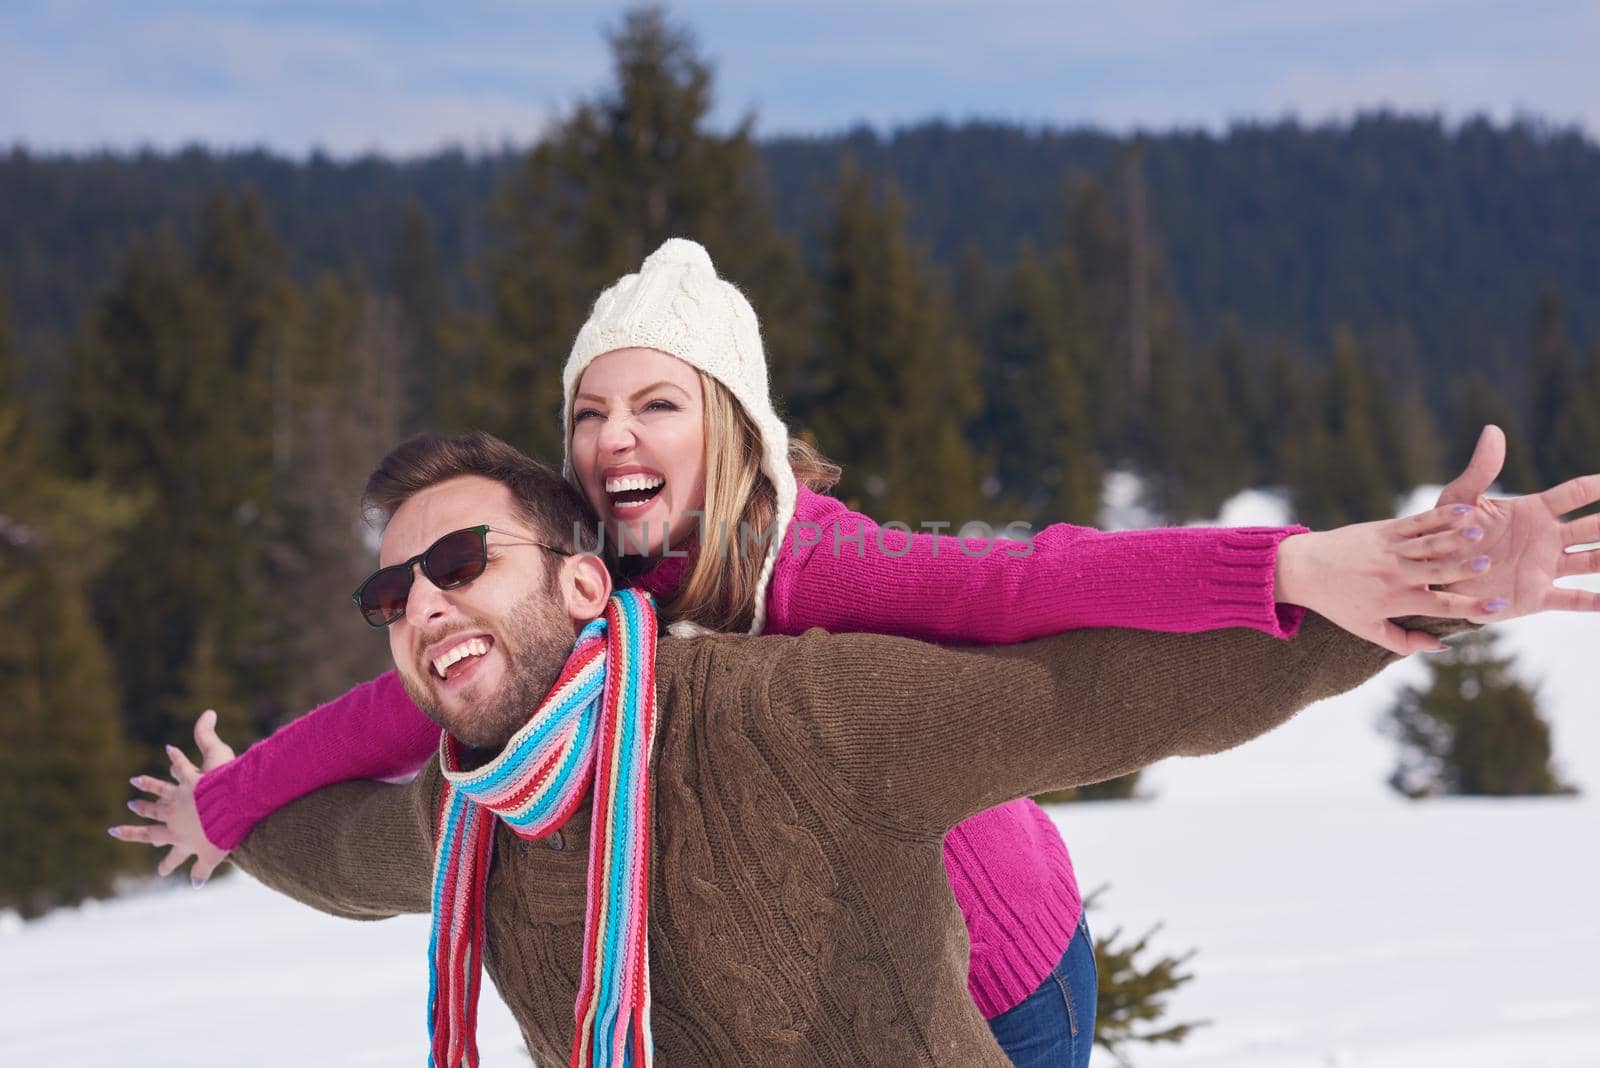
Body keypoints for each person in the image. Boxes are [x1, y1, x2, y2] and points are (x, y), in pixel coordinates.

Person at [117, 239, 1598, 1067]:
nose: (616, 437)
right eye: (589, 412)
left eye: (658, 405)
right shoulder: (586, 607)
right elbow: (404, 700)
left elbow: (1043, 598)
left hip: (995, 961)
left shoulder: (815, 566)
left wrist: (1292, 567)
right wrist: (232, 799)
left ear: (733, 427)